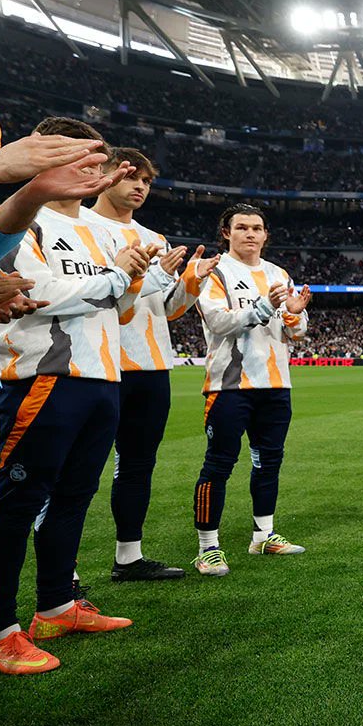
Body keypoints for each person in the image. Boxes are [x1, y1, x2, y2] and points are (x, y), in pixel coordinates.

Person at [0, 115, 142, 676]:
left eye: (93, 158)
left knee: (75, 496)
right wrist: (110, 281)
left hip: (102, 378)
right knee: (15, 505)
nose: (90, 167)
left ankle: (55, 606)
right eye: (77, 155)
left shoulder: (102, 233)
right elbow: (33, 292)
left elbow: (122, 305)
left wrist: (133, 279)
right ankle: (0, 627)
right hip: (44, 375)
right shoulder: (20, 220)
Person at [88, 146, 217, 582]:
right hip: (97, 364)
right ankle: (62, 573)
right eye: (131, 177)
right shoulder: (81, 227)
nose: (140, 186)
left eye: (146, 180)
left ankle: (129, 557)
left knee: (138, 463)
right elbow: (102, 295)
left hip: (151, 364)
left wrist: (193, 283)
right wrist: (155, 277)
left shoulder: (154, 238)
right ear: (104, 176)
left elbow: (168, 307)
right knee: (76, 468)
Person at [191, 204, 312, 577]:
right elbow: (217, 320)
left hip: (275, 383)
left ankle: (263, 535)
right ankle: (207, 547)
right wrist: (264, 306)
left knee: (269, 462)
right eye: (241, 227)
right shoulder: (215, 271)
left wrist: (292, 313)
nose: (250, 234)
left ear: (265, 235)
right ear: (226, 232)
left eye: (257, 228)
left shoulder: (278, 273)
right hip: (230, 384)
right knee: (219, 464)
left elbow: (296, 332)